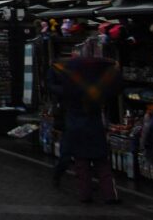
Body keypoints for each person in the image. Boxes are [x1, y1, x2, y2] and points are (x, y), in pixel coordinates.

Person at [49, 55, 123, 202]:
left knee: (81, 166)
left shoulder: (70, 91)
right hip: (94, 129)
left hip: (76, 129)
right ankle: (109, 195)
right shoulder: (97, 92)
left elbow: (54, 87)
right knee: (102, 165)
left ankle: (85, 194)